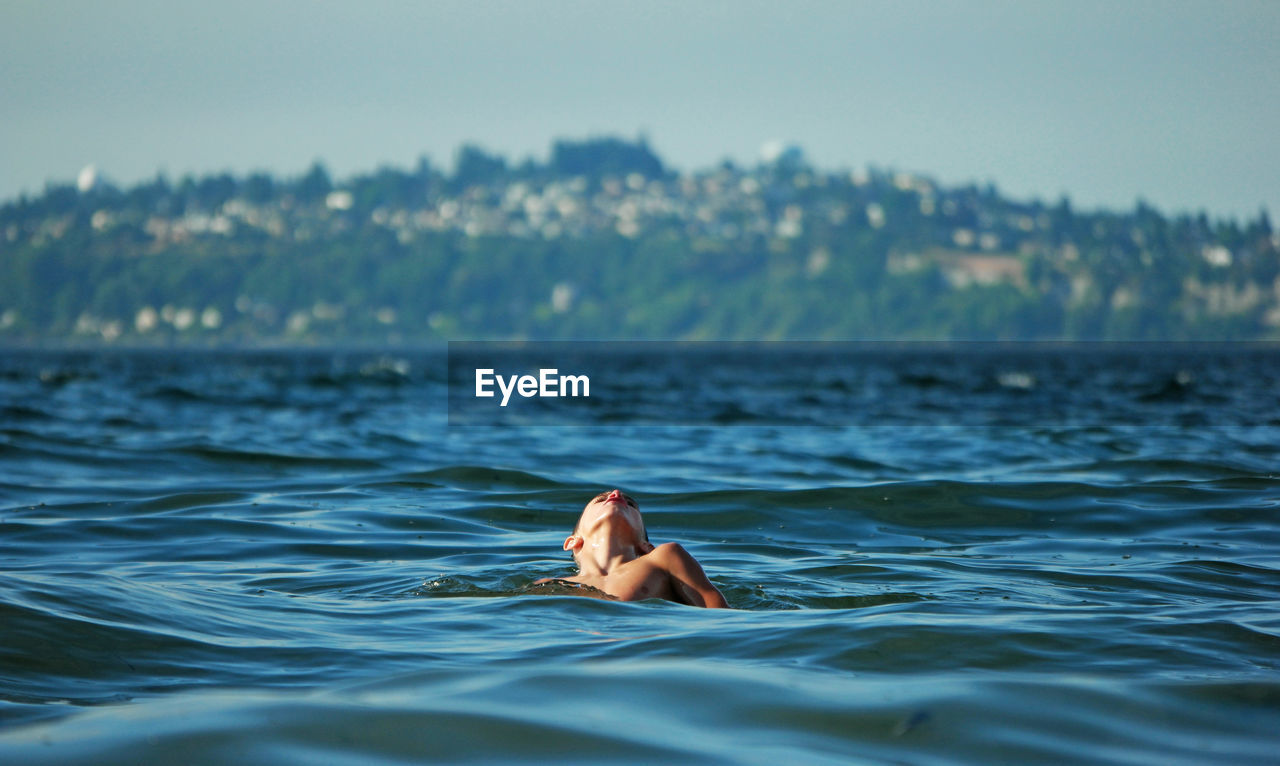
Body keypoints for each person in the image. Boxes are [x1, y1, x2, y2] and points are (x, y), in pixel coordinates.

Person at [535, 489, 728, 608]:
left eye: (630, 504)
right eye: (601, 499)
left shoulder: (664, 557)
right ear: (572, 542)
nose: (616, 494)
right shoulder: (552, 584)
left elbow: (715, 610)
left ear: (647, 547)